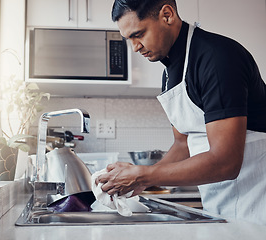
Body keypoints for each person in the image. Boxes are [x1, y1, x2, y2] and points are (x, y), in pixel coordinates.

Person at [96, 0, 266, 225]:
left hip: (258, 207)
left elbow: (226, 162)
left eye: (139, 34)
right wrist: (142, 181)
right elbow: (182, 144)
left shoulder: (218, 58)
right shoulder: (169, 74)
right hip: (223, 208)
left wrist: (142, 174)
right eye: (129, 39)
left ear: (167, 15)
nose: (135, 47)